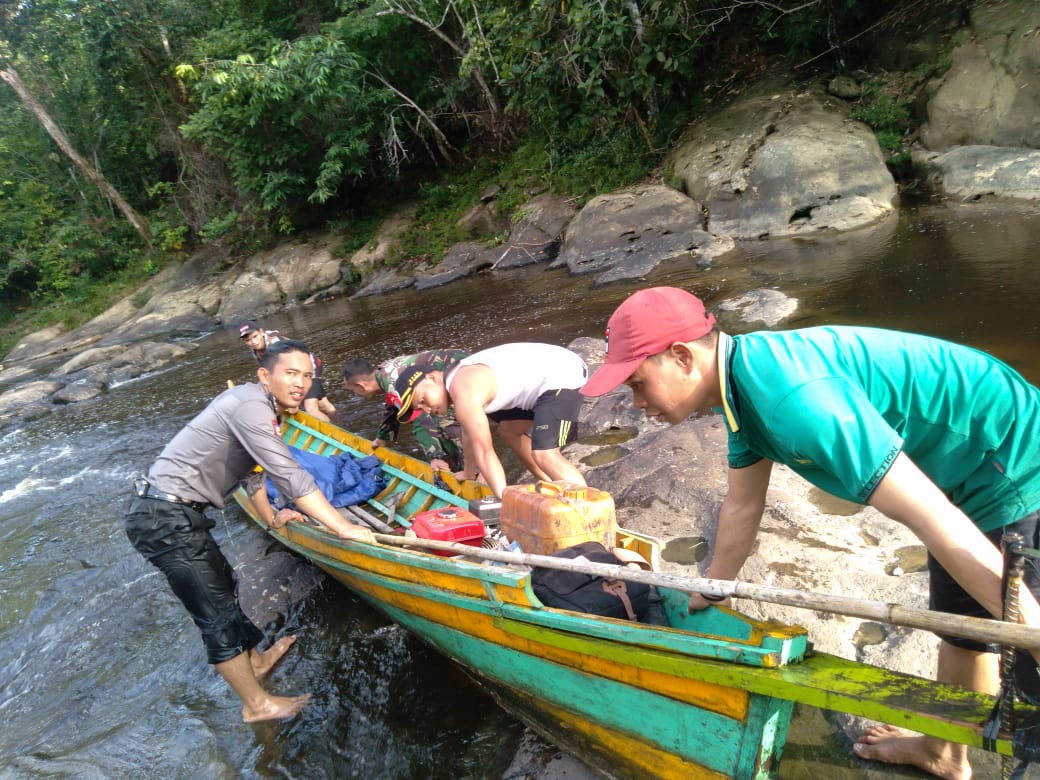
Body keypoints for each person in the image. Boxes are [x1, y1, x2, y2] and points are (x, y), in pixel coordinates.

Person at [580, 286, 1040, 779]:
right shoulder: (739, 387)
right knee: (960, 628)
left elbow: (930, 516)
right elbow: (742, 503)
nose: (636, 403)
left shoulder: (795, 401)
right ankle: (943, 753)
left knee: (1022, 642)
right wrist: (713, 588)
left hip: (1009, 458)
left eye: (638, 383)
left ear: (682, 356)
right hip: (960, 467)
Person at [125, 339, 375, 723]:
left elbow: (252, 475)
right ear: (265, 375)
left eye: (307, 376)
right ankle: (256, 705)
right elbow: (286, 474)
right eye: (290, 373)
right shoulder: (250, 406)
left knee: (223, 583)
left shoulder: (260, 406)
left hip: (176, 514)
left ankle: (255, 662)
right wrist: (343, 527)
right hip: (163, 517)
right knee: (215, 616)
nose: (301, 383)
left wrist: (272, 518)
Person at [394, 342, 589, 497]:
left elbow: (485, 452)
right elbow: (468, 433)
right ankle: (551, 484)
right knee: (508, 431)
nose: (427, 410)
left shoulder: (462, 388)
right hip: (543, 380)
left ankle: (592, 508)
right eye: (420, 408)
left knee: (545, 454)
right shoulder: (456, 383)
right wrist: (469, 473)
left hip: (563, 374)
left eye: (422, 400)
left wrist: (505, 501)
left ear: (432, 379)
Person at [341, 349, 469, 473]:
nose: (355, 395)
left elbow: (420, 419)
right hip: (460, 363)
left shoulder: (393, 384)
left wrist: (434, 456)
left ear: (361, 386)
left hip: (459, 371)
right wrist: (382, 437)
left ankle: (470, 469)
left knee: (443, 421)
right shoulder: (384, 371)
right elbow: (393, 405)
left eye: (353, 391)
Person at [238, 321, 336, 421]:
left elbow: (289, 368)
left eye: (255, 336)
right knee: (325, 406)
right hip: (297, 370)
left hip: (308, 368)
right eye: (248, 340)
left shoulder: (275, 342)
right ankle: (337, 421)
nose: (253, 342)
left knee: (311, 409)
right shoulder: (255, 350)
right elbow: (267, 370)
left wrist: (289, 401)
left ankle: (332, 430)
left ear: (261, 332)